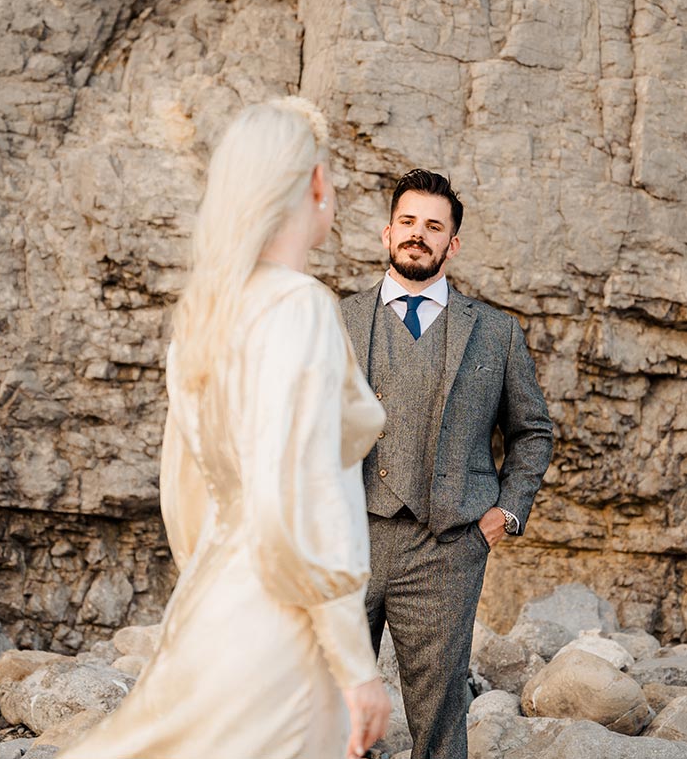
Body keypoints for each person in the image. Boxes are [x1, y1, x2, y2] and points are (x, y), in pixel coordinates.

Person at [58, 98, 391, 759]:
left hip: (210, 608)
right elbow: (293, 499)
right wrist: (356, 664)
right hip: (282, 634)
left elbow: (184, 494)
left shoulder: (204, 318)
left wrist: (209, 583)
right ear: (317, 184)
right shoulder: (301, 309)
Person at [339, 169, 554, 759]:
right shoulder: (337, 320)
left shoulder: (495, 332)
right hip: (345, 538)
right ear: (387, 233)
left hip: (447, 550)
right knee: (328, 708)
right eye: (407, 222)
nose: (418, 234)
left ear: (451, 244)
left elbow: (532, 432)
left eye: (434, 226)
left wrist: (505, 514)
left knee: (438, 722)